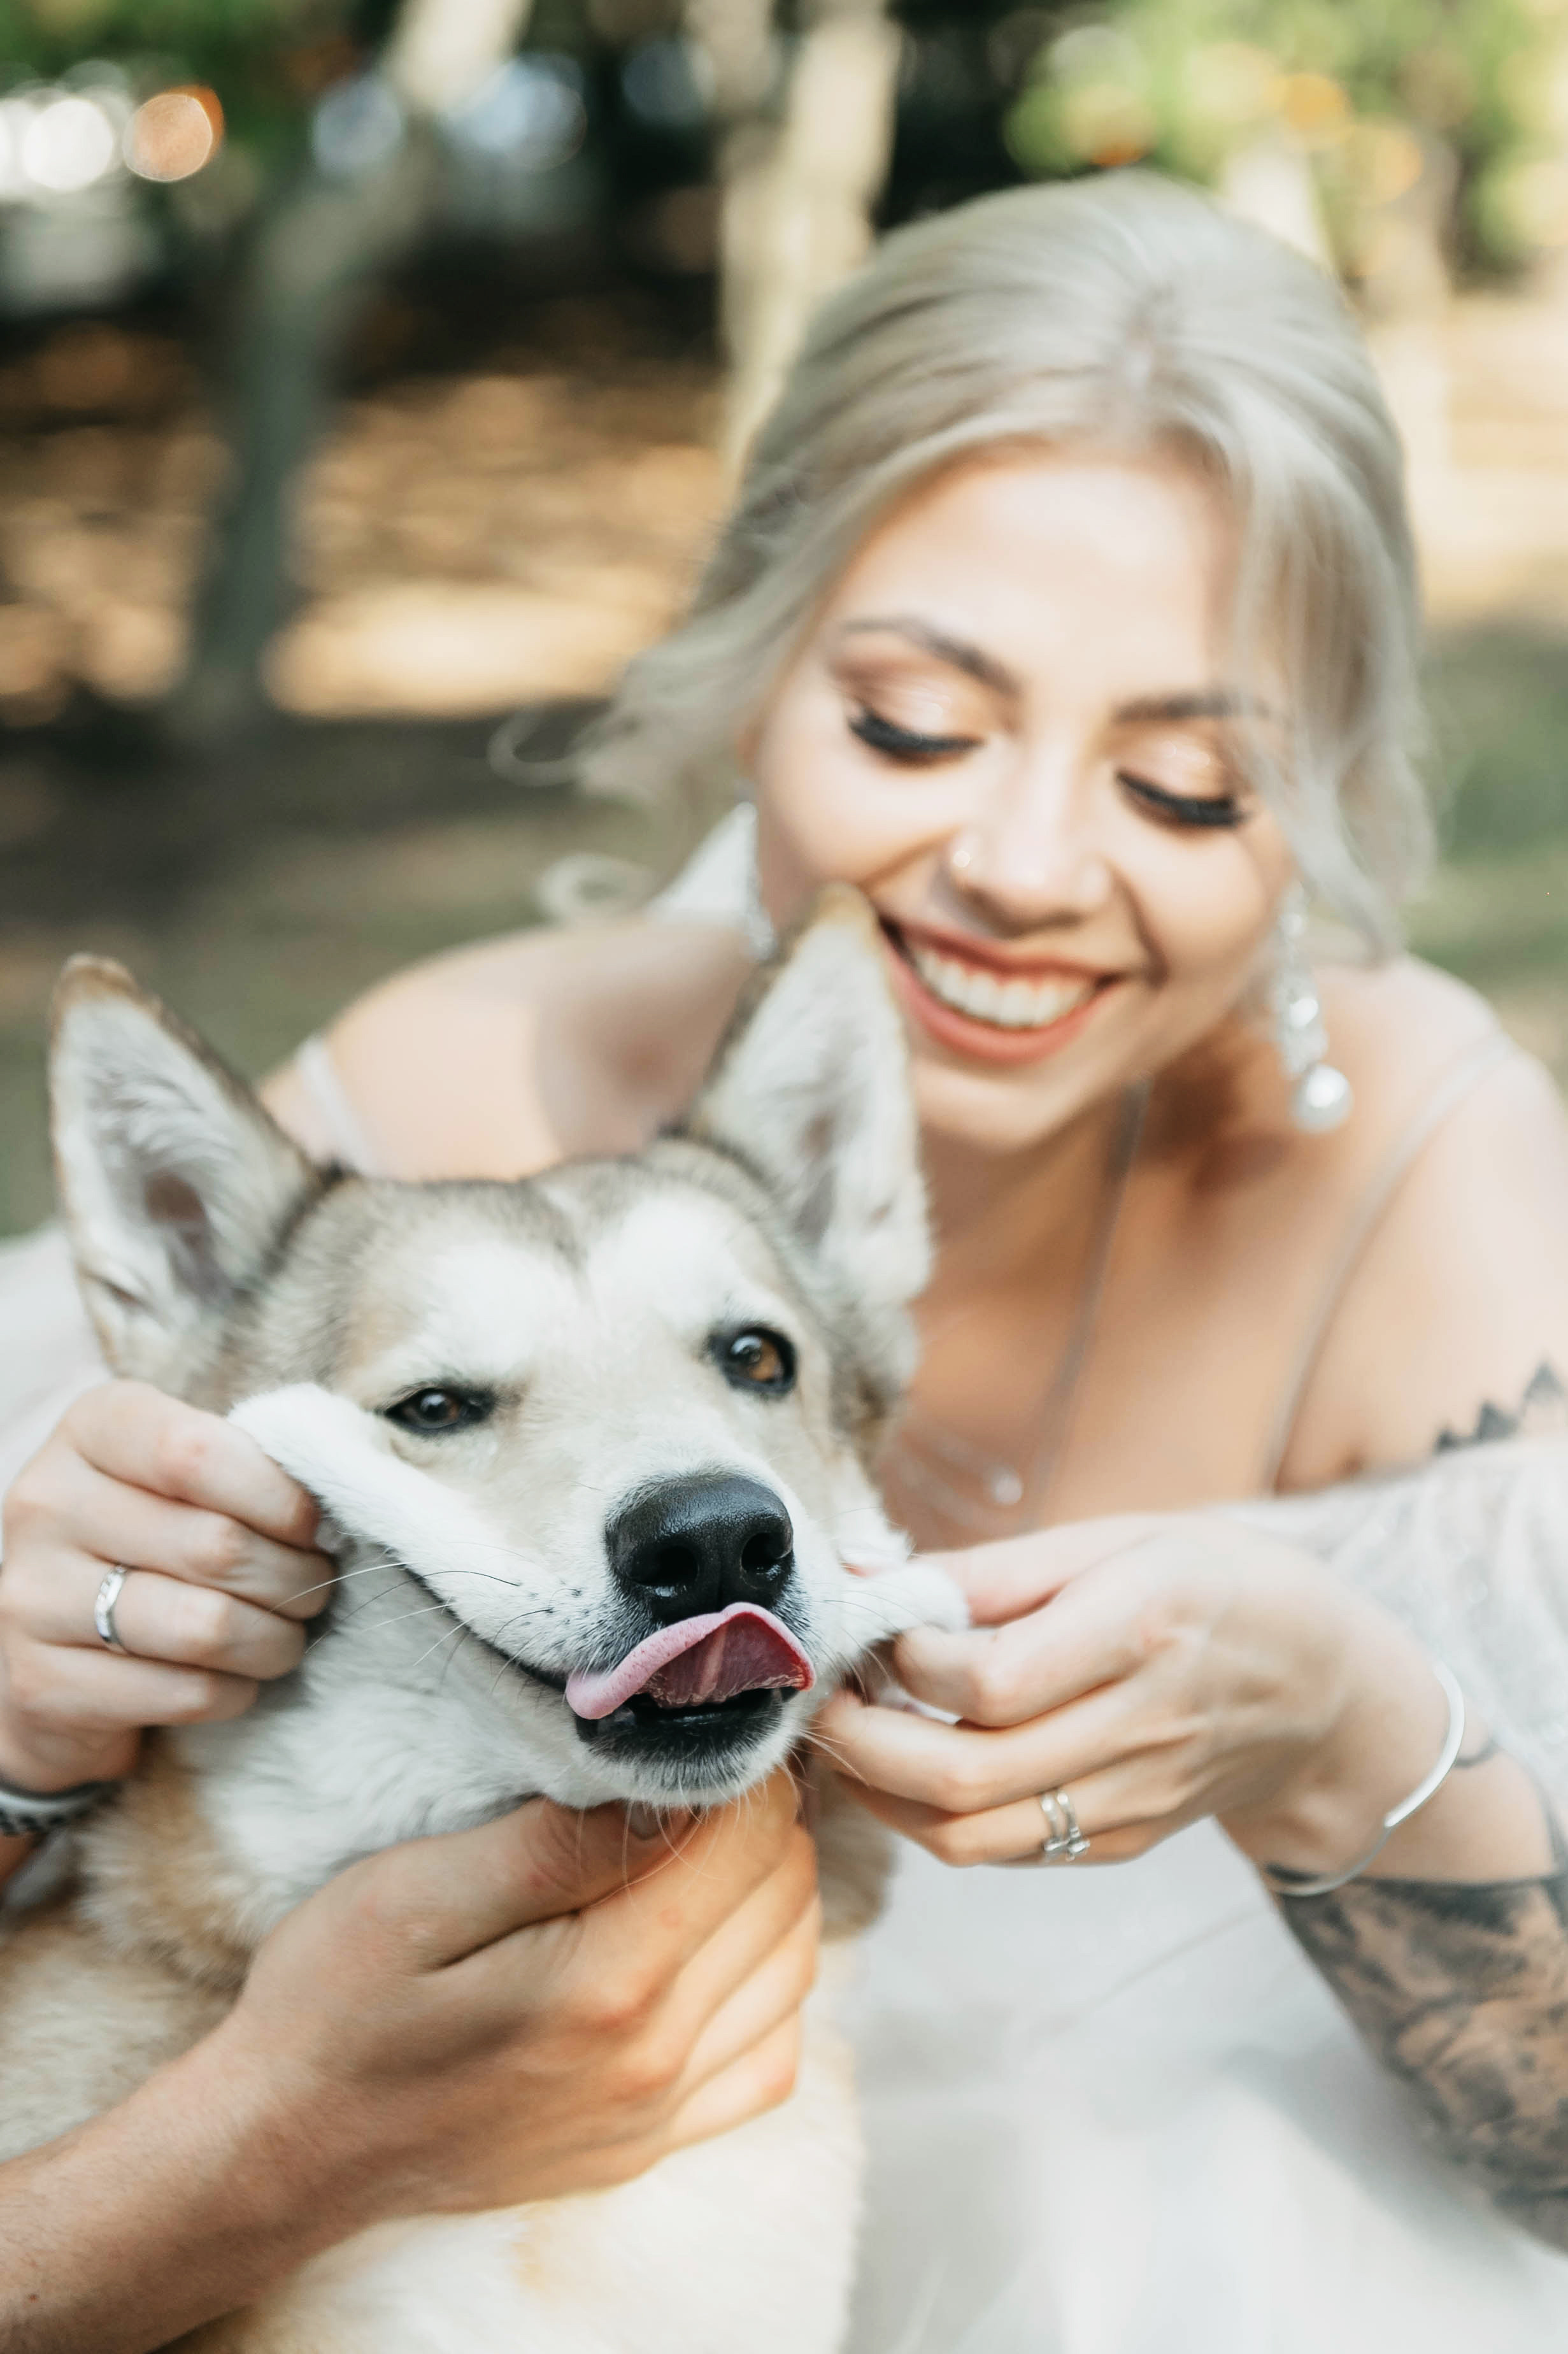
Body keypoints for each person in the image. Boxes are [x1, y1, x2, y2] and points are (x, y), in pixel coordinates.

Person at [3, 169, 1568, 2351]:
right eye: (916, 727)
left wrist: (1337, 1727)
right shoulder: (416, 1116)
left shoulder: (1434, 1186)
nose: (1021, 868)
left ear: (1310, 808)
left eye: (1190, 784)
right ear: (750, 677)